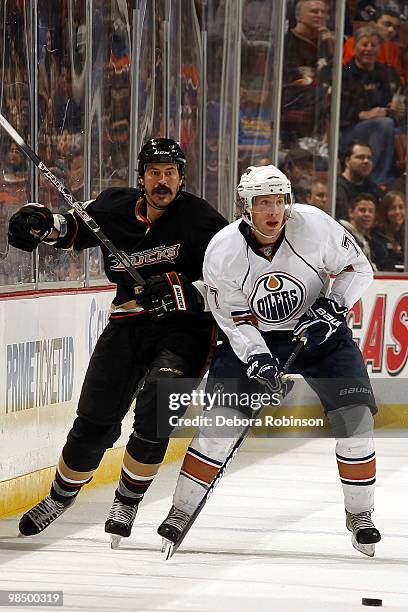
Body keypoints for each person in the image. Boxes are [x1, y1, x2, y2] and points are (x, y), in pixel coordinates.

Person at [7, 138, 227, 545]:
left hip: (186, 331)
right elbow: (70, 228)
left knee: (156, 414)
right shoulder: (114, 206)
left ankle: (127, 500)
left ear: (182, 179)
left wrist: (182, 290)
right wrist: (37, 222)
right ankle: (60, 497)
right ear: (141, 177)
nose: (163, 181)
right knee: (94, 422)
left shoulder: (204, 221)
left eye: (171, 174)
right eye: (155, 173)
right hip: (127, 325)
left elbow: (228, 280)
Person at [158, 164, 381, 557]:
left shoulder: (314, 225)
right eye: (263, 202)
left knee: (356, 419)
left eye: (279, 199)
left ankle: (360, 514)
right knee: (219, 426)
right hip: (256, 337)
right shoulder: (223, 250)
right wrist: (258, 358)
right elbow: (233, 318)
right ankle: (181, 510)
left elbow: (358, 269)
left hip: (321, 336)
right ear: (246, 206)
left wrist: (333, 305)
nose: (274, 210)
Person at [340, 24, 405, 186]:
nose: (369, 49)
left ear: (380, 49)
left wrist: (399, 109)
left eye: (373, 45)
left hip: (389, 126)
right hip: (350, 131)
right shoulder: (345, 72)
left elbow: (398, 100)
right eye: (364, 44)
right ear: (355, 48)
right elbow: (335, 111)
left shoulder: (389, 72)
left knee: (395, 126)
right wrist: (364, 114)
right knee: (384, 124)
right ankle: (375, 181)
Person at [281, 0, 334, 144]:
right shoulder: (286, 42)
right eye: (314, 11)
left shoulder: (330, 41)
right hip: (293, 97)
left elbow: (346, 71)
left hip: (322, 94)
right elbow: (288, 75)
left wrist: (333, 50)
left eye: (324, 12)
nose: (320, 15)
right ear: (298, 16)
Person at [343, 9, 405, 82]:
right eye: (387, 24)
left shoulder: (394, 48)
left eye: (395, 28)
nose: (391, 30)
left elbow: (399, 75)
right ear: (373, 24)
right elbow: (346, 68)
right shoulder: (355, 42)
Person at [336, 141, 383, 221]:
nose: (366, 161)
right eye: (360, 157)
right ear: (347, 161)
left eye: (369, 158)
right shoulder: (335, 187)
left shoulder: (374, 189)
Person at [373, 190, 405, 270]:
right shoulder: (375, 237)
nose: (397, 212)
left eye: (401, 207)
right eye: (392, 208)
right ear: (385, 211)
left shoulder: (403, 237)